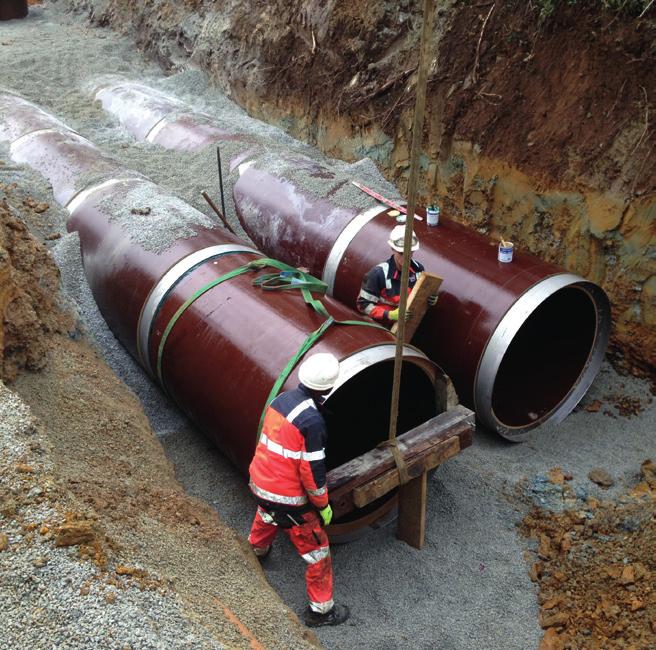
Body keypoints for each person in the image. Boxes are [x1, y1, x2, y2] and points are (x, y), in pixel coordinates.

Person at [248, 352, 349, 628]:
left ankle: (254, 552)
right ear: (327, 387)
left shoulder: (281, 400)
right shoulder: (313, 423)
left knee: (267, 513)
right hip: (289, 500)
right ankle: (321, 611)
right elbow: (312, 473)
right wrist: (322, 504)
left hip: (260, 482)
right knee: (317, 550)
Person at [356, 224, 437, 325]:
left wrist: (428, 299)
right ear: (392, 249)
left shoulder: (418, 270)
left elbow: (418, 298)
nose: (406, 256)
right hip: (382, 326)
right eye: (401, 253)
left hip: (407, 325)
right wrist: (389, 314)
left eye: (410, 252)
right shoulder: (378, 274)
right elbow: (362, 305)